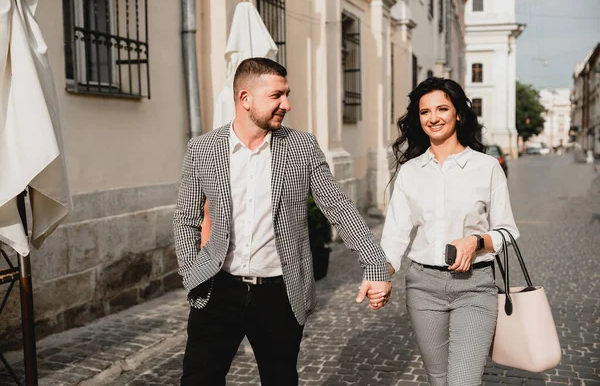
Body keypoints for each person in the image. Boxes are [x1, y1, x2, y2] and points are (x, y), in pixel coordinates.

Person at [173, 57, 392, 386]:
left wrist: (374, 264)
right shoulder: (203, 149)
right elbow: (186, 217)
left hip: (280, 294)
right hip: (219, 289)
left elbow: (338, 207)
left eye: (286, 94)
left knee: (280, 380)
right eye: (276, 95)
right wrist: (192, 272)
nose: (286, 104)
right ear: (245, 98)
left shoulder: (301, 147)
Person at [377, 77, 519, 386]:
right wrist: (380, 275)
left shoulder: (487, 167)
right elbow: (395, 236)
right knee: (438, 379)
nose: (434, 118)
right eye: (425, 111)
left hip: (475, 287)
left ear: (459, 114)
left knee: (462, 382)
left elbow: (507, 231)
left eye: (442, 108)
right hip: (422, 288)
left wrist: (476, 241)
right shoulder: (411, 171)